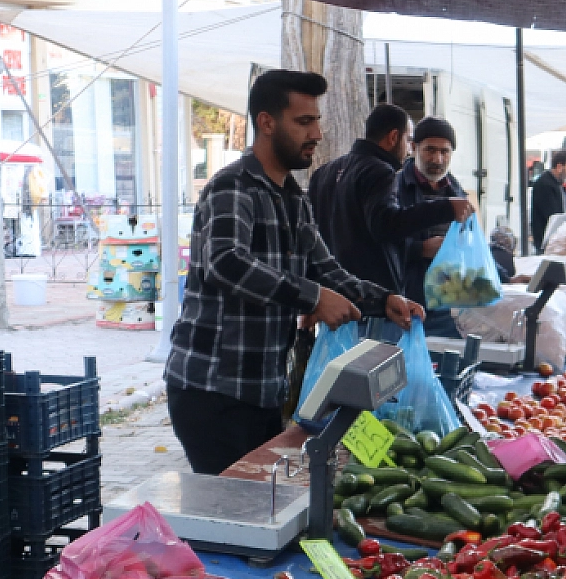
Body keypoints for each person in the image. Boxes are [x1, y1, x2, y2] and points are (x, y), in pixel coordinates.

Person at [166, 70, 424, 475]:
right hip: (212, 393)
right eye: (305, 122)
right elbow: (225, 262)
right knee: (237, 516)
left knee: (260, 505)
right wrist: (314, 297)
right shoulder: (233, 188)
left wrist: (383, 300)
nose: (317, 133)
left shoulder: (293, 200)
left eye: (317, 121)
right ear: (267, 123)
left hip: (265, 391)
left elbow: (326, 269)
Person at [308, 103, 472, 300]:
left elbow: (313, 238)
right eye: (408, 140)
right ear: (394, 137)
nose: (437, 159)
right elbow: (385, 224)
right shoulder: (380, 171)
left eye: (445, 152)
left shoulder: (324, 173)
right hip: (373, 298)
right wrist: (445, 208)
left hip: (334, 297)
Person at [396, 116, 468, 337]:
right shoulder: (395, 187)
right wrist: (420, 249)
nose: (437, 159)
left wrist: (506, 276)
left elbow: (471, 240)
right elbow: (373, 244)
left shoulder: (456, 191)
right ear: (413, 147)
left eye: (445, 152)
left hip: (447, 306)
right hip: (407, 303)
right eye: (430, 150)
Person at [531, 149, 566, 251]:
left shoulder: (558, 184)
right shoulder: (545, 185)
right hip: (548, 244)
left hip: (555, 242)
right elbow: (554, 217)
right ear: (559, 167)